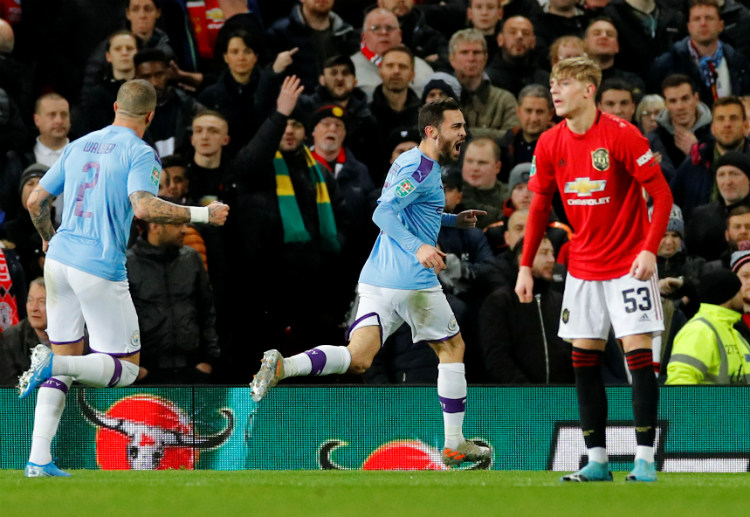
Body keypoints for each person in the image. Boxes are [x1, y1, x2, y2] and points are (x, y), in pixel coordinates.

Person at [250, 97, 493, 468]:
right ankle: (454, 442)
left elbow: (413, 210)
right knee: (452, 348)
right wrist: (419, 248)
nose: (464, 133)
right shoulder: (421, 168)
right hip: (411, 280)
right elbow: (383, 212)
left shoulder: (413, 161)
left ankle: (284, 365)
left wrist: (451, 221)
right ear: (433, 131)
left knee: (359, 358)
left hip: (377, 278)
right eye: (456, 126)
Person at [16, 79, 229, 478]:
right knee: (125, 369)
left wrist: (48, 238)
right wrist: (204, 215)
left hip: (59, 261)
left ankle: (38, 459)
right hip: (98, 266)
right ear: (151, 116)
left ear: (115, 106)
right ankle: (53, 366)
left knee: (67, 359)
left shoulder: (78, 145)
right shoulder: (140, 152)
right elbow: (144, 206)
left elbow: (34, 201)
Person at [515, 57, 673, 482]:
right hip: (583, 268)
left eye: (563, 84)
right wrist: (525, 265)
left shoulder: (621, 135)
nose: (554, 91)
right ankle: (597, 459)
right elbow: (538, 208)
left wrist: (649, 250)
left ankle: (644, 459)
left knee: (637, 358)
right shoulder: (549, 142)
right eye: (552, 84)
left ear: (588, 90)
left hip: (628, 266)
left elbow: (661, 193)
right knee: (583, 360)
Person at [127, 220, 220, 384]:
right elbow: (119, 319)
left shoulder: (191, 258)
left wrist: (209, 361)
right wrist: (133, 367)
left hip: (193, 369)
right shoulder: (128, 263)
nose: (185, 229)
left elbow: (207, 310)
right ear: (155, 226)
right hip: (146, 371)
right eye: (178, 224)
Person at [480, 236, 574, 384]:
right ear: (522, 260)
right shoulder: (499, 302)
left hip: (562, 398)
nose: (551, 259)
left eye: (552, 253)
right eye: (544, 253)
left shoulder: (561, 301)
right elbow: (497, 358)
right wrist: (527, 393)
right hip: (517, 399)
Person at [650, 0, 750, 108]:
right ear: (689, 26)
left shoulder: (740, 63)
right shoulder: (666, 65)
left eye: (709, 18)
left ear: (721, 25)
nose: (703, 24)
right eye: (697, 19)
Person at [665, 269, 750, 385]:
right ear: (728, 295)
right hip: (716, 403)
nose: (743, 295)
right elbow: (680, 384)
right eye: (739, 291)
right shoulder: (699, 330)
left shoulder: (734, 333)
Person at [671, 96, 750, 220]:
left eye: (733, 118)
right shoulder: (693, 164)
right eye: (720, 119)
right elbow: (674, 208)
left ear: (746, 126)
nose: (727, 124)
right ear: (712, 128)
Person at [448, 28, 519, 142]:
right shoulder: (442, 98)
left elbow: (513, 136)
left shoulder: (505, 100)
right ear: (452, 58)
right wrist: (494, 134)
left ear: (485, 58)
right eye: (464, 53)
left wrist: (465, 132)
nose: (471, 58)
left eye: (476, 52)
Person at [647, 74, 713, 182]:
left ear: (696, 99)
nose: (680, 107)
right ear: (666, 104)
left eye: (685, 99)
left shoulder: (714, 132)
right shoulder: (653, 140)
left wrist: (698, 152)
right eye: (673, 101)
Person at [685, 152, 750, 261]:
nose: (728, 182)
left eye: (734, 174)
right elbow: (690, 258)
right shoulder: (701, 217)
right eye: (721, 175)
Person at [0, 277, 49, 386]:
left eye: (42, 302)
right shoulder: (10, 340)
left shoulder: (79, 340)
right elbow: (10, 393)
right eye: (30, 300)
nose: (33, 308)